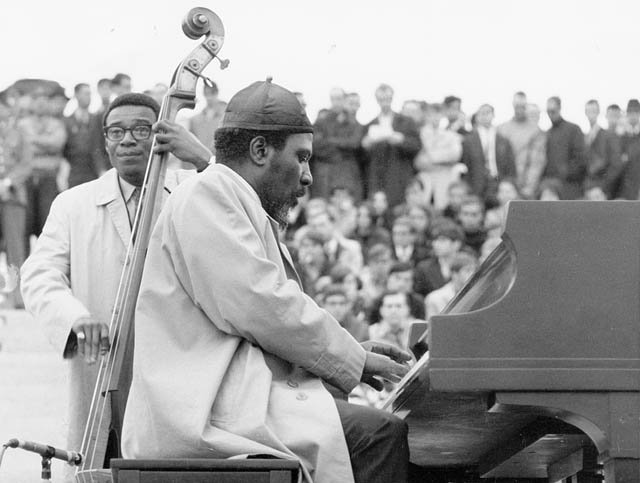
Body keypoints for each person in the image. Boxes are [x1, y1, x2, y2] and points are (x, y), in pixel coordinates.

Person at [121, 80, 411, 483]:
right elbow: (262, 305)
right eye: (301, 157)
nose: (308, 176)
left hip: (233, 399)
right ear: (260, 150)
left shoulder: (236, 201)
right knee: (379, 435)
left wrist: (350, 351)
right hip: (205, 413)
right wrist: (351, 359)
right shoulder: (208, 193)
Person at [20, 93, 212, 480]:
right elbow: (39, 274)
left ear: (163, 135)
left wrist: (205, 160)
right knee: (100, 464)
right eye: (116, 131)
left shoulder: (195, 189)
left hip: (178, 373)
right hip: (105, 374)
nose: (127, 140)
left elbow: (247, 217)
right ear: (105, 142)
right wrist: (75, 318)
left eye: (141, 129)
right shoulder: (73, 204)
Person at [362, 83, 421, 207]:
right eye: (381, 99)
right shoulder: (370, 125)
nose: (385, 102)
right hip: (377, 178)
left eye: (387, 99)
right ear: (377, 100)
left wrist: (402, 141)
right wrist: (366, 145)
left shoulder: (406, 122)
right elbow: (362, 156)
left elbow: (417, 146)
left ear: (392, 98)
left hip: (399, 175)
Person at [18, 88, 67, 236]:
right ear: (32, 103)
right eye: (37, 100)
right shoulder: (22, 124)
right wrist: (46, 143)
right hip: (27, 178)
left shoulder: (56, 124)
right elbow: (21, 147)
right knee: (26, 222)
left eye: (44, 101)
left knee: (47, 220)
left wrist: (33, 140)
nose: (40, 104)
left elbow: (57, 143)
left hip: (48, 177)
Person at [0, 99, 31, 308]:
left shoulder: (19, 133)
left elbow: (26, 163)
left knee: (15, 247)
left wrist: (8, 182)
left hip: (12, 196)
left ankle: (17, 296)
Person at [311, 87, 365, 200]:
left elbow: (354, 144)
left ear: (345, 100)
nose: (336, 102)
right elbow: (316, 146)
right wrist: (341, 146)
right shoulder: (321, 122)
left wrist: (329, 140)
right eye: (333, 99)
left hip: (347, 173)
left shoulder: (355, 124)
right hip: (325, 174)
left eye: (339, 98)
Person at [461, 103, 516, 205]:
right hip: (476, 185)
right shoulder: (469, 140)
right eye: (482, 113)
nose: (485, 116)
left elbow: (510, 166)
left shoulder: (503, 140)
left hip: (498, 182)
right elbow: (466, 164)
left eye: (488, 113)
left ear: (493, 115)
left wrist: (507, 183)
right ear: (477, 116)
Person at [544, 96, 587, 199]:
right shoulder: (548, 134)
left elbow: (581, 158)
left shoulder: (573, 130)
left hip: (571, 187)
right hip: (552, 187)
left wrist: (566, 173)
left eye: (553, 111)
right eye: (548, 111)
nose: (550, 114)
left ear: (559, 109)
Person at [63, 83, 101, 188]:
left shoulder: (97, 119)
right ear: (77, 95)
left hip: (93, 171)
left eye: (90, 94)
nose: (89, 97)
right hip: (74, 171)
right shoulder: (67, 121)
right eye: (86, 94)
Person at [583, 99, 622, 197]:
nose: (591, 114)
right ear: (585, 113)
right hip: (586, 188)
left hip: (602, 191)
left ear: (598, 112)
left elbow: (616, 165)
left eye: (594, 111)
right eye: (588, 111)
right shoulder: (584, 137)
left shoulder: (608, 136)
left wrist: (602, 187)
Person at [425, 251, 478, 318]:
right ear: (454, 274)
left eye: (474, 270)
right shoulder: (435, 298)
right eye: (468, 270)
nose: (472, 274)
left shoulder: (478, 295)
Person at [188, 82, 226, 155]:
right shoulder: (195, 120)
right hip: (202, 157)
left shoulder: (226, 117)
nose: (209, 97)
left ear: (217, 93)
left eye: (212, 93)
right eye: (206, 94)